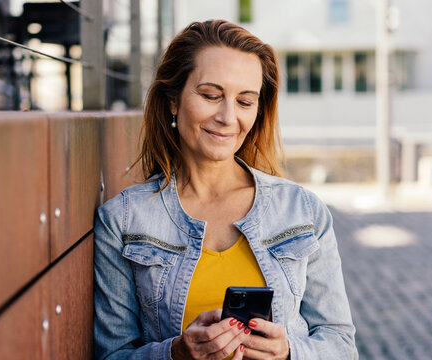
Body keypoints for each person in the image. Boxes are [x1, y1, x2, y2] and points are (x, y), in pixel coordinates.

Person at [94, 19, 358, 360]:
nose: (227, 117)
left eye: (245, 102)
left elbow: (341, 343)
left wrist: (289, 352)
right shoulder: (124, 221)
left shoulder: (303, 210)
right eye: (210, 95)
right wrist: (175, 354)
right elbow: (111, 354)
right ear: (173, 100)